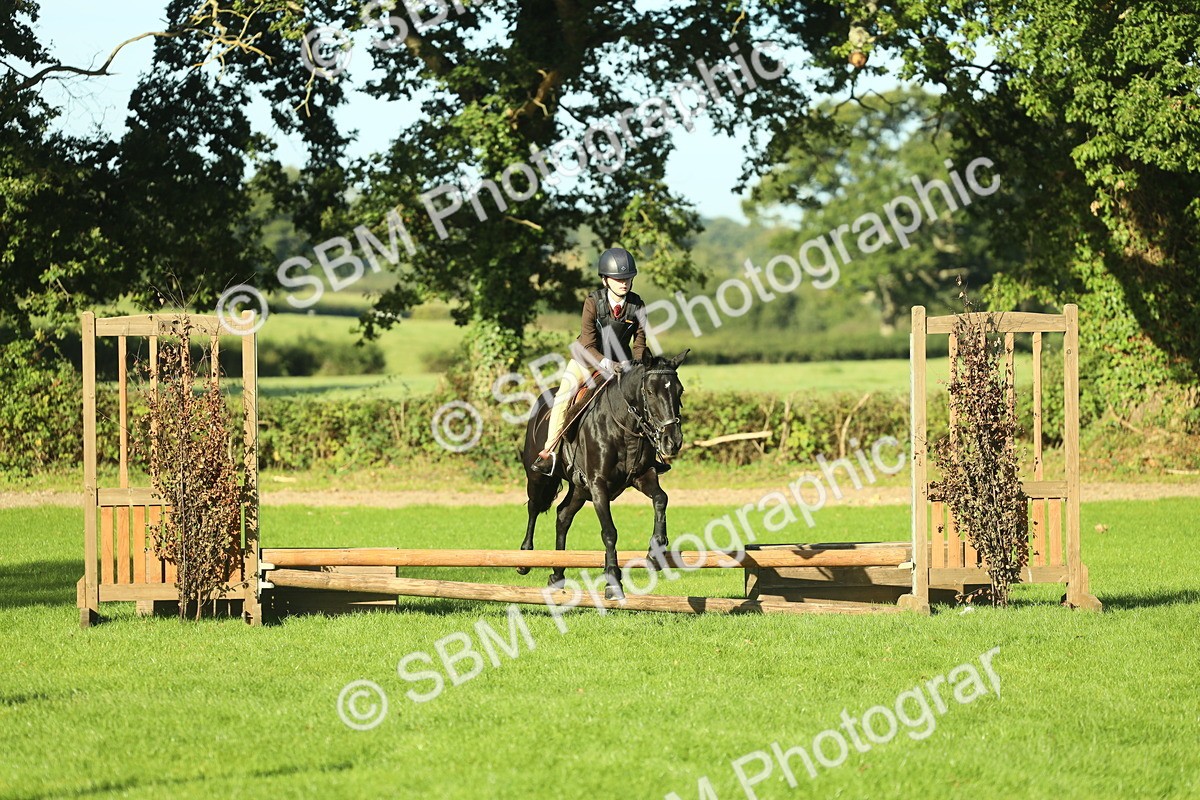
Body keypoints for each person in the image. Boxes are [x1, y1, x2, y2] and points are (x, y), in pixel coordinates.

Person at [531, 247, 647, 475]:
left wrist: (637, 368)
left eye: (628, 278)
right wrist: (606, 364)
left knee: (646, 396)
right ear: (605, 280)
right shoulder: (593, 302)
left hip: (621, 366)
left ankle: (651, 455)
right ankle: (549, 453)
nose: (624, 283)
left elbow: (640, 344)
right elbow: (586, 344)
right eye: (618, 279)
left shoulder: (638, 305)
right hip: (586, 362)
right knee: (564, 395)